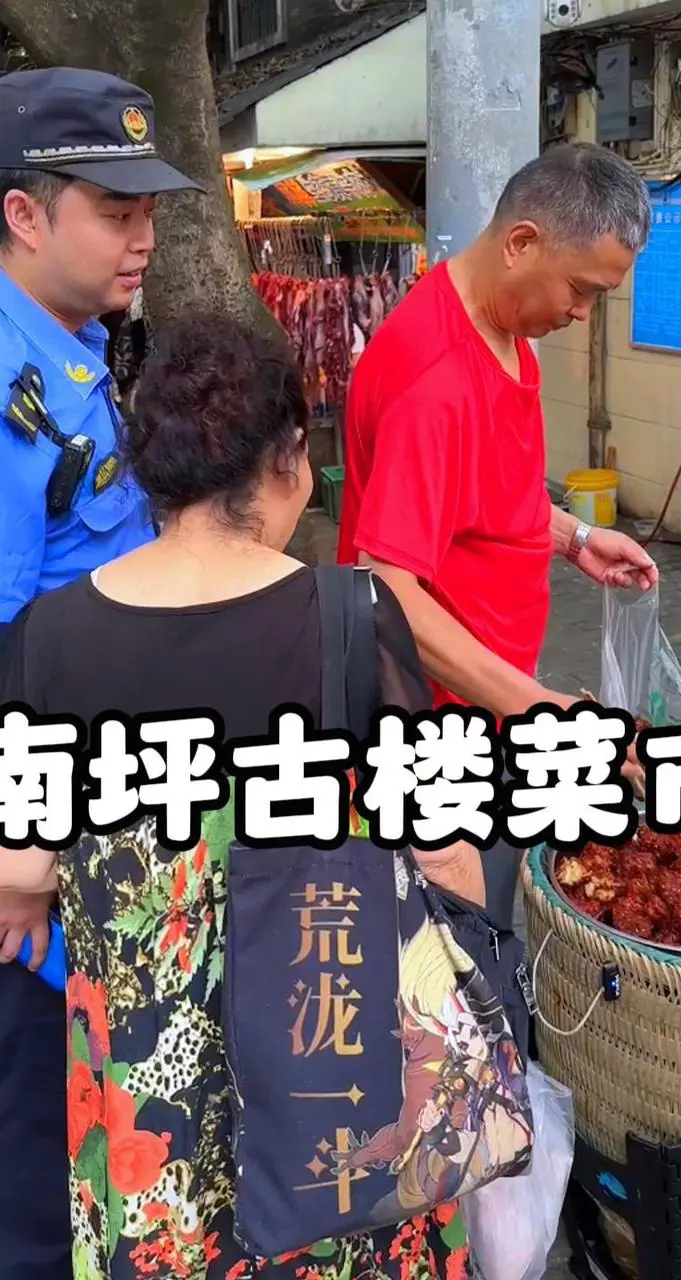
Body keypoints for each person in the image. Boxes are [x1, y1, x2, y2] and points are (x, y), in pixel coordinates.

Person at [0, 313, 484, 1280]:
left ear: (151, 467)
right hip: (333, 1058)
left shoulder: (52, 635)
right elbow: (443, 852)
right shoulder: (353, 617)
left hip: (153, 1104)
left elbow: (22, 866)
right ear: (290, 455)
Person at [338, 141, 656, 928]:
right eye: (581, 290)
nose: (581, 315)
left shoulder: (503, 331)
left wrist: (574, 537)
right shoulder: (434, 378)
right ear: (521, 242)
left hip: (495, 698)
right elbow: (388, 589)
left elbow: (485, 492)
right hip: (435, 724)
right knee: (453, 941)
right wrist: (542, 708)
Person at [0, 66, 200, 1280]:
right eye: (116, 210)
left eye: (150, 210)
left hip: (94, 811)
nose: (144, 237)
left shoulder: (70, 345)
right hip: (31, 857)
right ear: (25, 214)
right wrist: (22, 848)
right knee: (33, 1165)